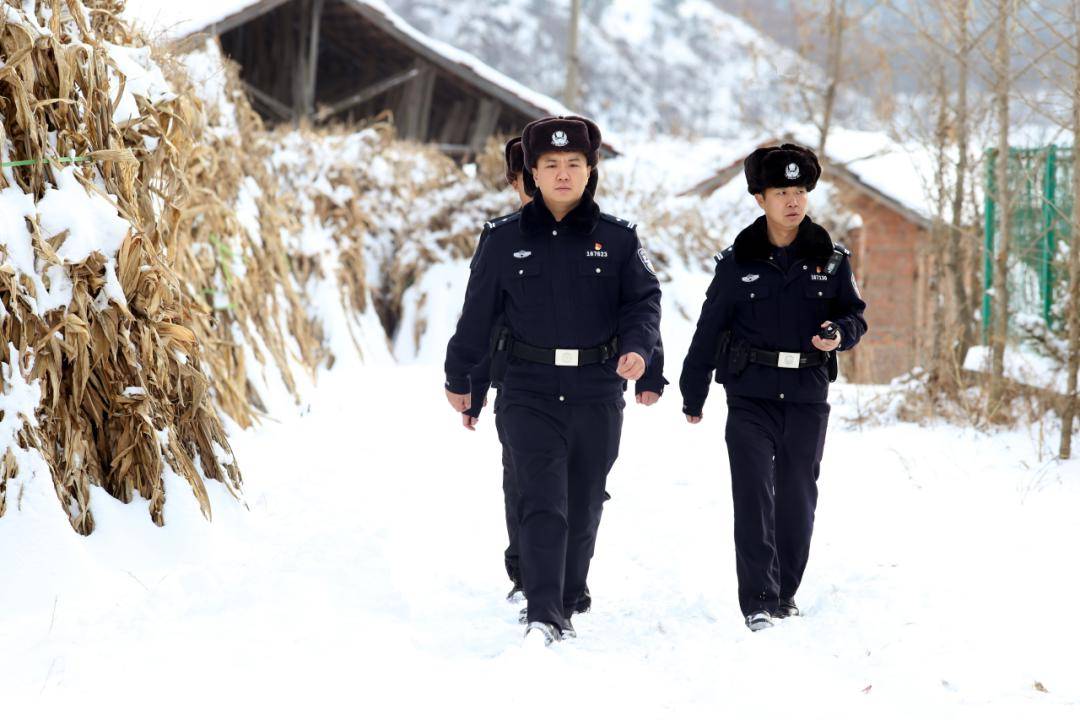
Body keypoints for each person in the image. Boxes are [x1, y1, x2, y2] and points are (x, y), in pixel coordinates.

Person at [444, 116, 662, 645]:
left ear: (590, 172)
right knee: (541, 498)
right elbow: (477, 316)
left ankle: (566, 595)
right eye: (550, 165)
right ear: (533, 174)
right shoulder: (500, 241)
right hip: (528, 389)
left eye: (573, 164)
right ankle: (542, 613)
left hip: (596, 392)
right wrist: (461, 375)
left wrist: (639, 353)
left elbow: (643, 304)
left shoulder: (618, 239)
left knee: (584, 502)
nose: (563, 174)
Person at [678, 143, 867, 631]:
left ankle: (785, 592)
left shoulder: (830, 260)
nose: (792, 201)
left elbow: (854, 317)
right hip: (750, 394)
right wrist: (692, 391)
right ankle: (758, 601)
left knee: (797, 495)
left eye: (800, 190)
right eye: (781, 191)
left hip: (807, 394)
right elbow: (709, 328)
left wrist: (838, 333)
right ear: (759, 198)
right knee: (753, 494)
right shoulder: (737, 262)